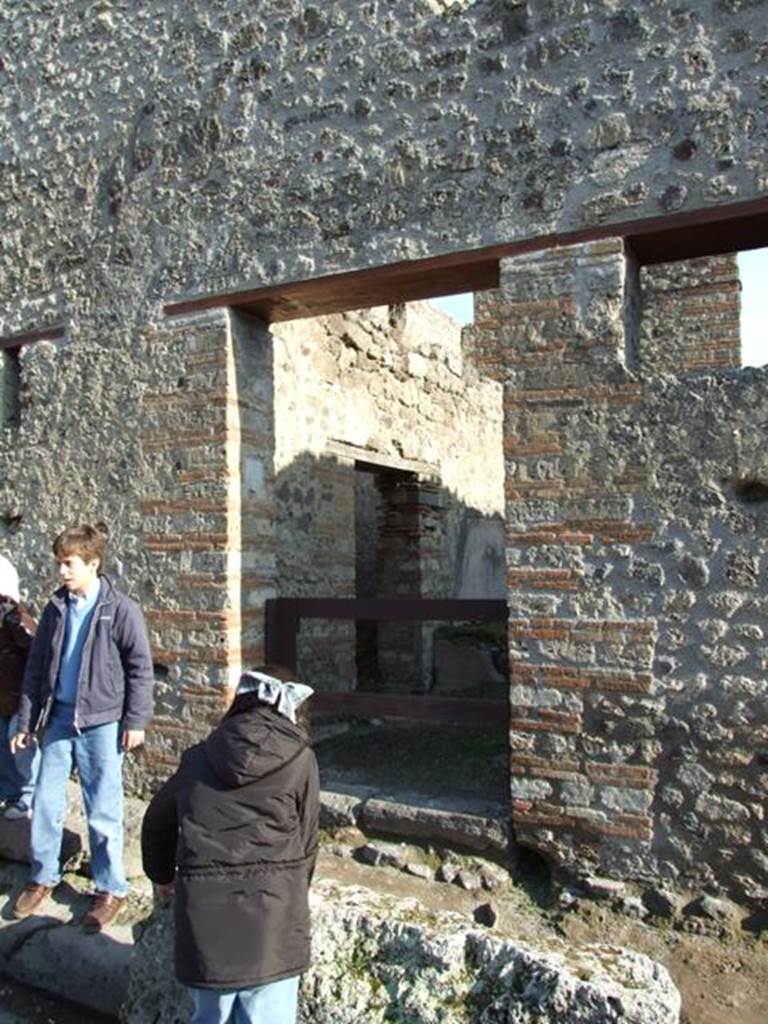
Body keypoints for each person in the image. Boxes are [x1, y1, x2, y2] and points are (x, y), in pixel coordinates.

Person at [141, 666, 319, 1024]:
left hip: (208, 922)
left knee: (210, 1016)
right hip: (274, 920)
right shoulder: (301, 760)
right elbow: (308, 839)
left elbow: (157, 823)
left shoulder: (197, 758)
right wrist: (294, 891)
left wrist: (161, 877)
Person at [11, 522, 154, 931]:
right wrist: (26, 720)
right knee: (46, 802)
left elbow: (140, 669)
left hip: (102, 723)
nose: (62, 572)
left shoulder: (120, 609)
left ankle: (110, 889)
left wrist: (136, 721)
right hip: (57, 719)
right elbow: (37, 668)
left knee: (103, 809)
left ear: (93, 563)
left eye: (69, 563)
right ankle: (43, 878)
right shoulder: (56, 608)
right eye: (59, 563)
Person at [0, 554, 39, 820]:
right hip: (2, 696)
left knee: (21, 744)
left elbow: (38, 657)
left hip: (20, 697)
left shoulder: (18, 620)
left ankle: (29, 796)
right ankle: (9, 794)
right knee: (2, 746)